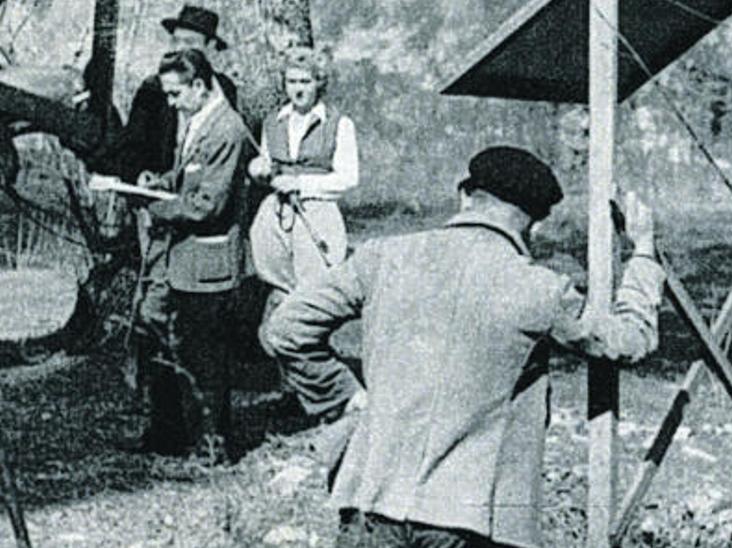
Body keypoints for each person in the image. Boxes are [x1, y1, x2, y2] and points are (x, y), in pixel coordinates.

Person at [259, 146, 665, 547]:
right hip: (467, 520)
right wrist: (643, 252)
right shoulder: (539, 288)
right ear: (535, 225)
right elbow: (628, 339)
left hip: (371, 500)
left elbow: (286, 328)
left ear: (464, 196)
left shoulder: (382, 257)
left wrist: (346, 396)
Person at [125, 48, 251, 462]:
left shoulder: (226, 130)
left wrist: (153, 204)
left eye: (176, 93)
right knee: (172, 341)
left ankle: (212, 447)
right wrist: (157, 181)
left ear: (199, 85)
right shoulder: (199, 121)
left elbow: (207, 204)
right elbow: (188, 181)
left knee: (205, 357)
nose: (171, 103)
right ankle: (177, 434)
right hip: (182, 260)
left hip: (207, 264)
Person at [247, 46, 362, 419]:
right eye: (292, 81)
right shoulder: (273, 122)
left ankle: (328, 391)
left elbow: (347, 178)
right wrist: (259, 171)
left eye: (305, 82)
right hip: (277, 216)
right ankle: (292, 390)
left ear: (319, 84)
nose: (298, 89)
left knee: (311, 298)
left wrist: (301, 183)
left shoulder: (337, 123)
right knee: (280, 293)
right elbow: (265, 167)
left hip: (317, 214)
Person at [94, 4, 238, 183]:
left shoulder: (224, 89)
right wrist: (139, 173)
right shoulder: (153, 89)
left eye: (190, 43)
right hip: (158, 185)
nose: (179, 49)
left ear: (210, 46)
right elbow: (131, 144)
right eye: (175, 41)